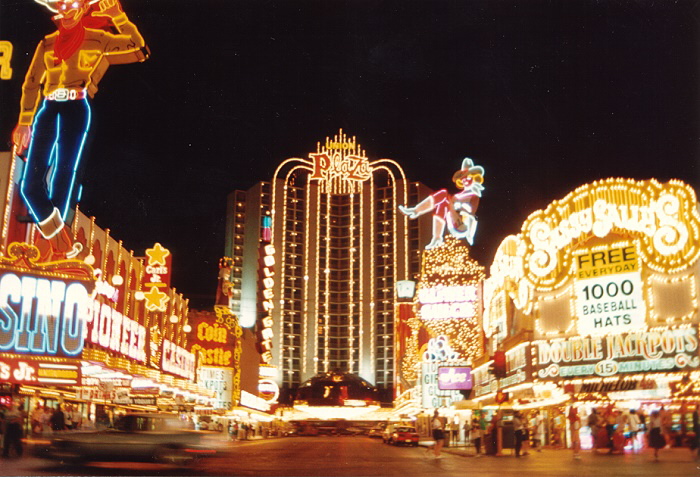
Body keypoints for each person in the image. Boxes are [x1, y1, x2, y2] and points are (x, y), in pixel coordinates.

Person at [12, 0, 148, 262]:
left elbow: (138, 48)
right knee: (31, 184)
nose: (67, 10)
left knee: (65, 173)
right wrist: (25, 121)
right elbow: (31, 84)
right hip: (48, 107)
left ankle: (53, 246)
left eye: (74, 4)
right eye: (60, 4)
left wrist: (118, 17)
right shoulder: (48, 43)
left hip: (77, 105)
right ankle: (61, 239)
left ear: (84, 7)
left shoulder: (98, 39)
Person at [399, 158, 485, 249]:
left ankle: (416, 211)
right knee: (442, 203)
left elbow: (471, 214)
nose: (465, 181)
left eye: (468, 178)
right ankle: (436, 237)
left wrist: (469, 234)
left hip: (463, 226)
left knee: (444, 194)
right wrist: (452, 206)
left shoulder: (474, 196)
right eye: (463, 179)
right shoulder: (457, 196)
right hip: (453, 222)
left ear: (474, 178)